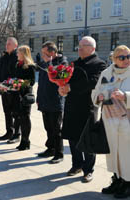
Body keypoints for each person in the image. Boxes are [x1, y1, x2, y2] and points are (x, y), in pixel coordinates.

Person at [58, 36, 106, 183]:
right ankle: (76, 164)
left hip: (88, 107)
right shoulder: (74, 63)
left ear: (92, 48)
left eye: (83, 46)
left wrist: (71, 87)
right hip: (72, 105)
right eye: (79, 45)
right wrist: (61, 88)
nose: (79, 48)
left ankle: (88, 170)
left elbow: (94, 82)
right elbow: (65, 79)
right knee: (73, 138)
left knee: (88, 140)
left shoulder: (100, 64)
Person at [92, 45, 130, 198]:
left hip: (127, 121)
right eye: (122, 57)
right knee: (113, 153)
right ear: (114, 59)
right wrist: (99, 97)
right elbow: (95, 91)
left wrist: (126, 96)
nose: (126, 60)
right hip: (110, 120)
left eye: (128, 56)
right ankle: (116, 180)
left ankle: (128, 183)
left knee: (126, 154)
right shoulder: (106, 73)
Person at [36, 41, 68, 164]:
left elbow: (58, 77)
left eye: (45, 53)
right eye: (42, 52)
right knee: (47, 127)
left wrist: (49, 63)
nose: (42, 55)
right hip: (45, 99)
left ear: (53, 52)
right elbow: (42, 83)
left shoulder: (62, 62)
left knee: (56, 128)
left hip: (55, 100)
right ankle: (50, 148)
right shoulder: (43, 63)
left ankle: (59, 153)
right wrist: (39, 99)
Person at [0, 37, 21, 144]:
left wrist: (10, 84)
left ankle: (16, 134)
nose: (7, 45)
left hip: (14, 90)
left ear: (15, 45)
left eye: (9, 44)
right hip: (4, 89)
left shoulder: (18, 57)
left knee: (16, 113)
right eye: (6, 44)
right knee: (7, 112)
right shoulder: (4, 57)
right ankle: (9, 132)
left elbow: (18, 74)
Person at [13, 45, 36, 150]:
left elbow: (32, 81)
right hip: (17, 94)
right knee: (19, 117)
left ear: (23, 54)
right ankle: (22, 140)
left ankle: (26, 140)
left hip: (26, 95)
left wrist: (21, 83)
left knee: (25, 118)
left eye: (18, 52)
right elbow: (16, 78)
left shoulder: (30, 66)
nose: (17, 54)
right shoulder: (18, 64)